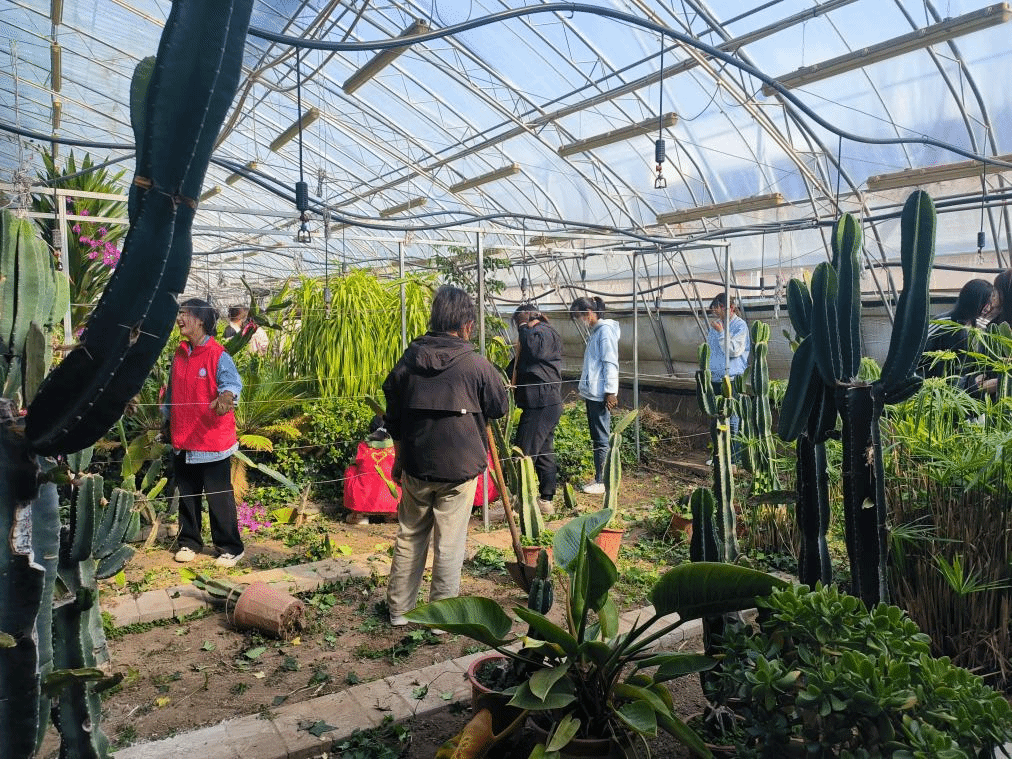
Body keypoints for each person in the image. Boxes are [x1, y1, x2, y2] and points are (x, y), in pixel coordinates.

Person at [382, 286, 509, 626]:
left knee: (410, 535)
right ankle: (441, 619)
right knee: (450, 542)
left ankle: (400, 611)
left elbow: (392, 416)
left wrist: (399, 458)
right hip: (460, 468)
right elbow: (499, 406)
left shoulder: (408, 362)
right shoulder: (476, 365)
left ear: (435, 319)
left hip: (416, 464)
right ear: (467, 324)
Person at [162, 298, 245, 567]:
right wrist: (166, 422)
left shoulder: (218, 354)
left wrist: (226, 397)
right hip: (183, 437)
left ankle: (230, 547)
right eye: (179, 313)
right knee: (187, 495)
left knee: (218, 496)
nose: (179, 318)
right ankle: (189, 542)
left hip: (211, 440)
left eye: (184, 313)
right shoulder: (179, 354)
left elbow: (232, 383)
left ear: (200, 320)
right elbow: (172, 393)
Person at [507, 303, 564, 516]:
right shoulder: (537, 335)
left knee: (523, 452)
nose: (519, 329)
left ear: (527, 317)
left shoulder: (542, 333)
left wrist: (523, 326)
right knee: (544, 452)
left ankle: (517, 503)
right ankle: (546, 500)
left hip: (541, 403)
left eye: (519, 323)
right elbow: (520, 363)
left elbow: (533, 350)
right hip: (543, 402)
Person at [569, 296, 620, 495]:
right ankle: (600, 476)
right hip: (594, 393)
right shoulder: (597, 332)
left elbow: (610, 363)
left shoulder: (605, 332)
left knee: (601, 438)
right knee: (597, 437)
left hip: (600, 394)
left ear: (589, 313)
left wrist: (610, 392)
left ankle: (603, 481)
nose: (579, 321)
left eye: (579, 316)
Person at [705, 292, 750, 462]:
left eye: (718, 307)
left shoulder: (740, 326)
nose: (715, 311)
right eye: (714, 308)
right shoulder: (716, 325)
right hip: (715, 378)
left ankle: (733, 459)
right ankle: (718, 458)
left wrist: (722, 332)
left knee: (732, 420)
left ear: (730, 308)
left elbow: (734, 351)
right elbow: (711, 351)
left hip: (732, 378)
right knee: (716, 420)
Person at [919, 278, 993, 380]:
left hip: (966, 383)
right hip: (933, 381)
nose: (988, 308)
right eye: (986, 304)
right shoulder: (942, 324)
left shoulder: (982, 327)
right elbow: (919, 354)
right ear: (973, 302)